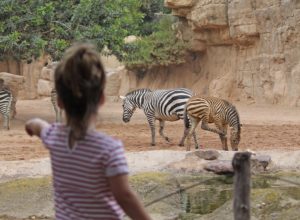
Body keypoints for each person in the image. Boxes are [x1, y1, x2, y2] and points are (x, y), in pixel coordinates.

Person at [25, 43, 152, 220]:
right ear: (101, 99)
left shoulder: (53, 137)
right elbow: (124, 196)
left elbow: (38, 126)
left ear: (60, 102)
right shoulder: (109, 149)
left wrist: (31, 125)